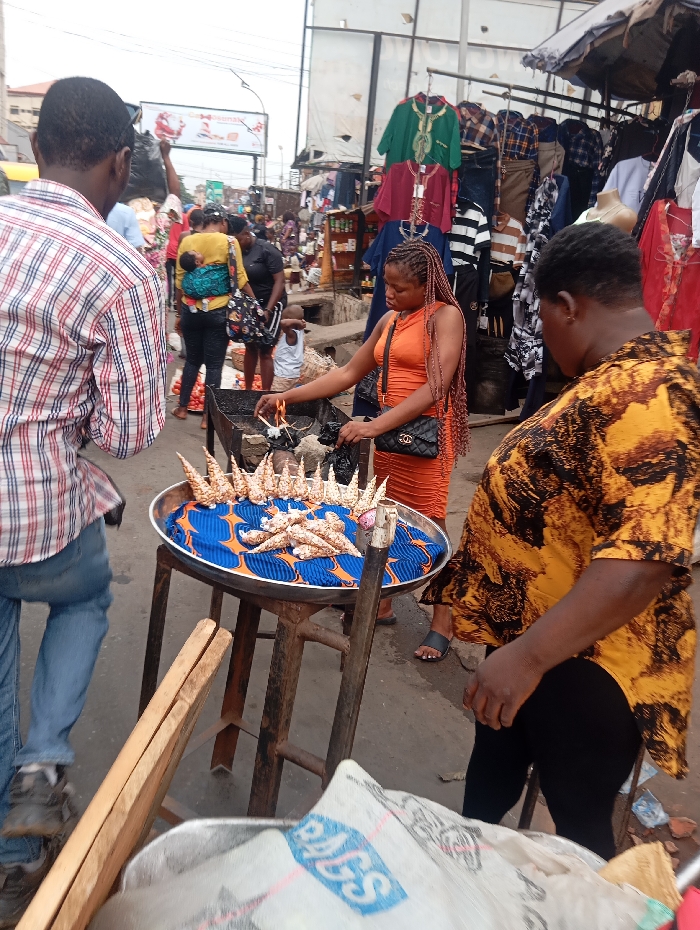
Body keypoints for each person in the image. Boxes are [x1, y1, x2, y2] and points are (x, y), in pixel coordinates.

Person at [422, 223, 700, 860]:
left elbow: (643, 561)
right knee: (488, 790)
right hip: (537, 645)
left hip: (581, 664)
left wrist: (526, 659)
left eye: (541, 316)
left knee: (578, 836)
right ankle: (469, 878)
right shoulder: (610, 381)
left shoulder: (652, 395)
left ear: (568, 306)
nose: (542, 334)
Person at [0, 76, 166, 923]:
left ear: (36, 151)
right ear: (120, 164)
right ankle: (42, 765)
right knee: (86, 595)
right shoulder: (123, 270)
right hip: (37, 514)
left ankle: (10, 858)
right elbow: (131, 432)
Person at [256, 240, 468, 634]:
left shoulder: (446, 316)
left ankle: (443, 620)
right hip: (391, 435)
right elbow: (347, 373)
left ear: (427, 286)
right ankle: (381, 603)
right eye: (386, 284)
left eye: (400, 288)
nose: (389, 293)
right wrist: (286, 396)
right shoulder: (391, 320)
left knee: (431, 525)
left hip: (426, 437)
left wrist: (372, 427)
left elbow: (437, 386)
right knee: (385, 515)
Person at [173, 205, 254, 427]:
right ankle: (207, 417)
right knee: (214, 365)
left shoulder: (187, 241)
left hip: (190, 310)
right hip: (218, 310)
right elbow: (240, 278)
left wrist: (179, 313)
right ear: (223, 222)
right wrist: (255, 303)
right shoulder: (229, 242)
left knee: (192, 360)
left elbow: (179, 280)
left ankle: (182, 408)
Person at [229, 215, 286, 391]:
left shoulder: (267, 250)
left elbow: (279, 282)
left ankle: (265, 394)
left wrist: (267, 310)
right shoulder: (235, 251)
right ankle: (248, 392)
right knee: (250, 346)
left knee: (265, 349)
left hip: (271, 304)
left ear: (247, 234)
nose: (235, 243)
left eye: (238, 239)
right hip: (250, 306)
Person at [271, 307, 306, 392]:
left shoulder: (291, 334)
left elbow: (283, 323)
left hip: (283, 375)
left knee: (276, 395)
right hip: (293, 374)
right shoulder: (300, 332)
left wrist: (297, 322)